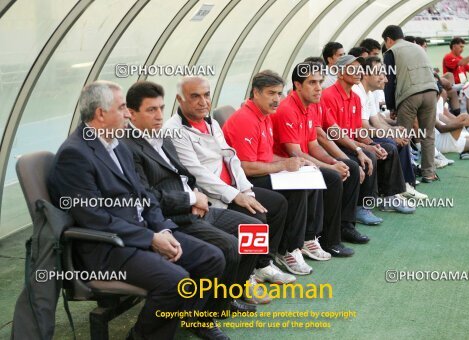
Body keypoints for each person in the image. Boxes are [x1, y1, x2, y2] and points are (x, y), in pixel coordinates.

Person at [47, 81, 226, 340]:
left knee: (212, 258)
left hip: (140, 234)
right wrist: (151, 239)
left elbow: (144, 196)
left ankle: (180, 325)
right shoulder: (74, 155)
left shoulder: (117, 144)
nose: (128, 114)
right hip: (107, 248)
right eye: (122, 108)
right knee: (177, 282)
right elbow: (94, 219)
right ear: (100, 114)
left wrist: (163, 229)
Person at [124, 80, 278, 312]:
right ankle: (213, 309)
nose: (158, 116)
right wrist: (191, 199)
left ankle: (231, 294)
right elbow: (149, 195)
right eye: (151, 110)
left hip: (197, 204)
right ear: (131, 113)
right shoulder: (138, 144)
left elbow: (186, 174)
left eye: (159, 109)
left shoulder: (162, 137)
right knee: (231, 245)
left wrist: (194, 194)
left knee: (254, 228)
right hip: (176, 216)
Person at [164, 77, 289, 282]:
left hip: (232, 187)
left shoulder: (209, 121)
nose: (203, 102)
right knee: (257, 217)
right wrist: (236, 196)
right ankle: (246, 277)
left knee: (277, 205)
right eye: (195, 96)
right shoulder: (174, 131)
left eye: (206, 95)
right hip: (211, 196)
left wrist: (246, 190)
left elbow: (231, 157)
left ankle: (262, 263)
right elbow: (197, 173)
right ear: (179, 99)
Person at [223, 70, 332, 273]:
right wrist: (283, 165)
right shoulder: (245, 119)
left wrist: (293, 161)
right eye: (271, 93)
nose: (277, 99)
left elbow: (264, 156)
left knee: (309, 180)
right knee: (286, 197)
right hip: (239, 182)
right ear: (256, 93)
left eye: (279, 93)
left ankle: (293, 246)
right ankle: (280, 254)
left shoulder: (263, 115)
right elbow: (246, 167)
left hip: (252, 176)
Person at [272, 61, 367, 256]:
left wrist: (334, 162)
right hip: (285, 167)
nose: (318, 88)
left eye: (320, 82)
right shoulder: (287, 109)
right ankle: (325, 239)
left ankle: (344, 226)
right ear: (297, 85)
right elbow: (295, 153)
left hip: (302, 164)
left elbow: (314, 144)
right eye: (312, 82)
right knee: (331, 177)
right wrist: (330, 168)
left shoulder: (312, 105)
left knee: (349, 165)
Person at [322, 55, 414, 213]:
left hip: (349, 143)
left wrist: (371, 144)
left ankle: (390, 196)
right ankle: (362, 206)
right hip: (335, 145)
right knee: (369, 155)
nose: (358, 72)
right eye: (353, 68)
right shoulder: (328, 96)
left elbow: (358, 130)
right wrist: (363, 148)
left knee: (384, 149)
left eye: (359, 69)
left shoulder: (355, 97)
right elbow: (335, 135)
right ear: (339, 73)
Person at [353, 56, 427, 200]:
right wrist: (392, 135)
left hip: (363, 133)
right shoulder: (358, 92)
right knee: (391, 143)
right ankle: (392, 192)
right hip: (357, 137)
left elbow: (376, 121)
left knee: (400, 136)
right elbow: (364, 127)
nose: (385, 79)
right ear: (366, 74)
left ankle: (405, 184)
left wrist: (394, 131)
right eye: (380, 73)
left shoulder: (368, 92)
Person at [382, 25, 439, 183]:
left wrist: (391, 106)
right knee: (428, 134)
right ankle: (429, 173)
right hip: (431, 91)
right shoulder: (418, 48)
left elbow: (389, 81)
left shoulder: (391, 52)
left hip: (410, 94)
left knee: (402, 136)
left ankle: (404, 177)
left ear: (389, 40)